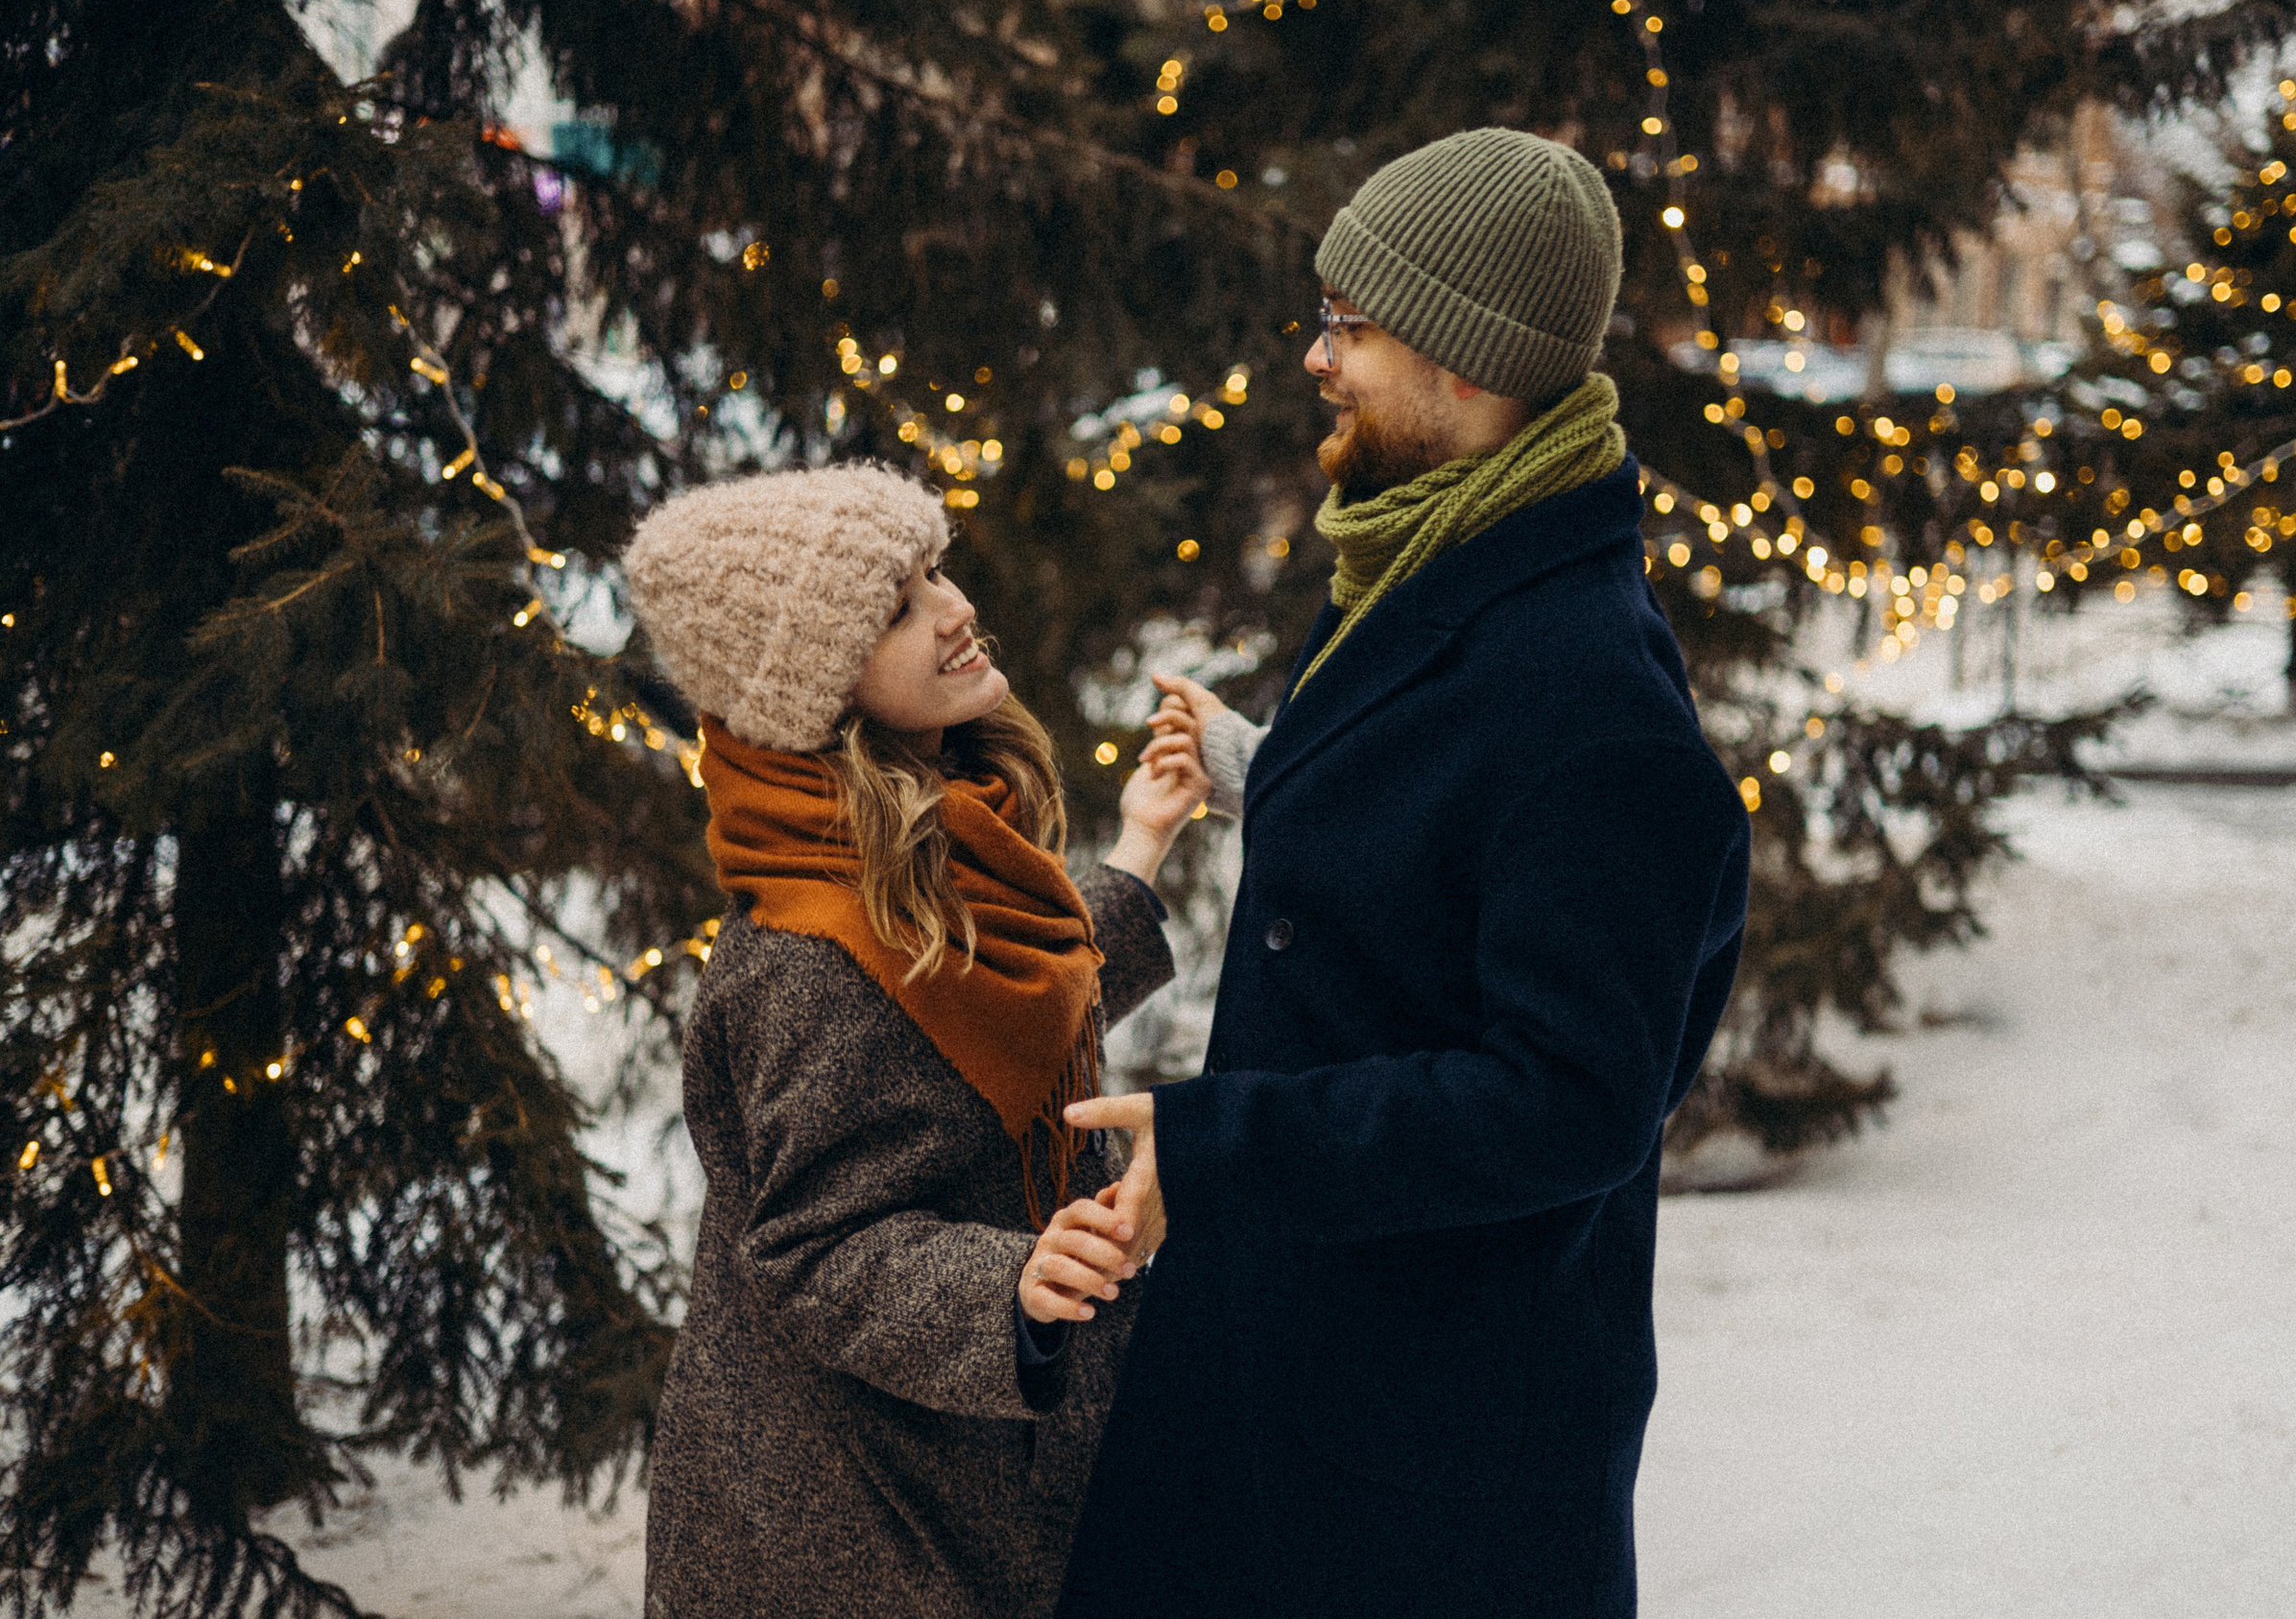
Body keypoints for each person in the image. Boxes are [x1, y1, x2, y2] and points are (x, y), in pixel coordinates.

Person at [1058, 128, 1753, 1618]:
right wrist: (1274, 773)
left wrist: (1227, 1146)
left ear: (1469, 365)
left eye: (1350, 327)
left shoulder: (1595, 700)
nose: (1317, 358)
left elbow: (1571, 1096)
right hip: (1310, 1368)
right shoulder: (1442, 551)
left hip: (1427, 1460)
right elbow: (1456, 835)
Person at [620, 464, 1208, 1619]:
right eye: (897, 608)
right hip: (863, 1522)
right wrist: (1009, 1285)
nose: (955, 608)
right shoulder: (806, 950)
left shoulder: (932, 841)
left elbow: (989, 1009)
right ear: (815, 688)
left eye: (935, 571)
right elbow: (817, 1244)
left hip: (958, 1483)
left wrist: (1140, 845)